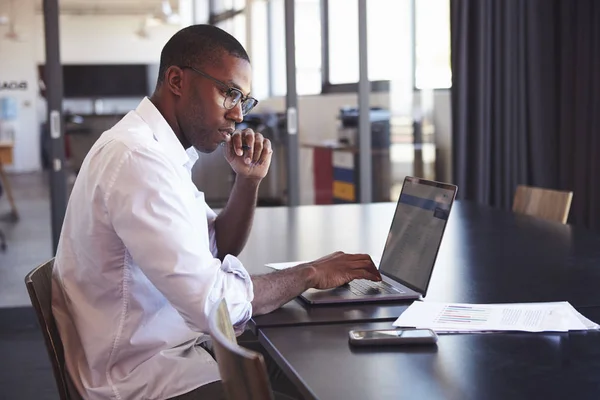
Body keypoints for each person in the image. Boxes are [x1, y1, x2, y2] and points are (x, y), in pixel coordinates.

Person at [51, 24, 381, 400]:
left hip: (173, 350)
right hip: (142, 378)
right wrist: (310, 272)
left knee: (315, 372)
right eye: (230, 94)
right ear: (177, 80)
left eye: (245, 100)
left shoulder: (158, 151)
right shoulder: (138, 159)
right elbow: (212, 305)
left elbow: (218, 245)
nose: (239, 115)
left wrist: (248, 180)